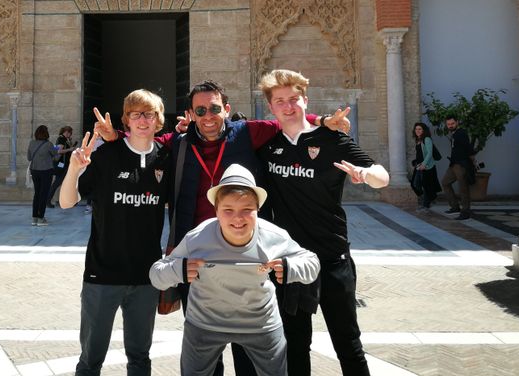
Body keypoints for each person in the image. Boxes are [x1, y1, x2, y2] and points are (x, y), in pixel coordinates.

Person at [93, 80, 350, 376]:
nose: (208, 116)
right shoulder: (178, 143)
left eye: (215, 108)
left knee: (248, 357)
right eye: (200, 110)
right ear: (190, 114)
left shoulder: (247, 133)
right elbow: (143, 141)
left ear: (226, 109)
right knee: (205, 355)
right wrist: (115, 138)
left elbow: (284, 119)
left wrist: (322, 120)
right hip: (199, 258)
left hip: (247, 253)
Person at [256, 69, 389, 376]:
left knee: (348, 345)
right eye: (280, 101)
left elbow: (382, 176)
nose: (288, 107)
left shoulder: (332, 140)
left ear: (305, 99)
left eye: (293, 99)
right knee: (295, 345)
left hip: (332, 258)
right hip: (289, 262)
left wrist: (366, 175)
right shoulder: (266, 143)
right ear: (271, 107)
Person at [150, 164, 320, 376]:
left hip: (260, 323)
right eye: (228, 210)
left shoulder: (273, 235)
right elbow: (156, 274)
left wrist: (290, 267)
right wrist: (179, 269)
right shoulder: (198, 237)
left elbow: (312, 263)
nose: (238, 218)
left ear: (258, 209)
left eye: (247, 210)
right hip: (204, 323)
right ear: (216, 211)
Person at [59, 89, 172, 376]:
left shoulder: (166, 159)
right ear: (127, 120)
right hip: (102, 275)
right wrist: (74, 170)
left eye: (149, 114)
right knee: (91, 359)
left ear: (159, 120)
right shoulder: (107, 155)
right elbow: (66, 202)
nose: (143, 120)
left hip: (145, 277)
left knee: (140, 357)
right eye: (136, 114)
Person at [441, 115, 476, 221]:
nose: (450, 126)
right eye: (448, 124)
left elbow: (469, 148)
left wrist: (472, 162)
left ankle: (465, 212)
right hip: (453, 164)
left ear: (457, 122)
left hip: (461, 164)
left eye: (452, 124)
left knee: (463, 188)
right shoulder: (454, 134)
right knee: (445, 182)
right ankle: (455, 207)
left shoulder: (461, 133)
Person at [27, 125, 60, 226]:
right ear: (46, 134)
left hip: (34, 170)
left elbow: (29, 158)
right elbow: (57, 157)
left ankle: (34, 218)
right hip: (46, 171)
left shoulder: (31, 143)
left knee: (37, 194)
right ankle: (41, 218)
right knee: (43, 194)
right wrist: (57, 150)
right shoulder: (49, 144)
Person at [411, 122, 441, 212]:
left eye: (420, 129)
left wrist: (424, 164)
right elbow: (420, 154)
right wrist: (416, 162)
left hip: (427, 166)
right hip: (420, 166)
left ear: (424, 130)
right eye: (416, 129)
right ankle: (430, 200)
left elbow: (429, 153)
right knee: (415, 184)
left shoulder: (427, 139)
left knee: (426, 186)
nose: (417, 131)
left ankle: (426, 205)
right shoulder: (418, 139)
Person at [48, 126, 77, 208]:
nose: (71, 134)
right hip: (62, 165)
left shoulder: (65, 139)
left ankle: (52, 200)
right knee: (58, 183)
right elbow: (59, 151)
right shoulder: (61, 139)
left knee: (61, 183)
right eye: (70, 133)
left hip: (64, 165)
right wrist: (70, 149)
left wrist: (70, 145)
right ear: (67, 132)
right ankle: (48, 200)